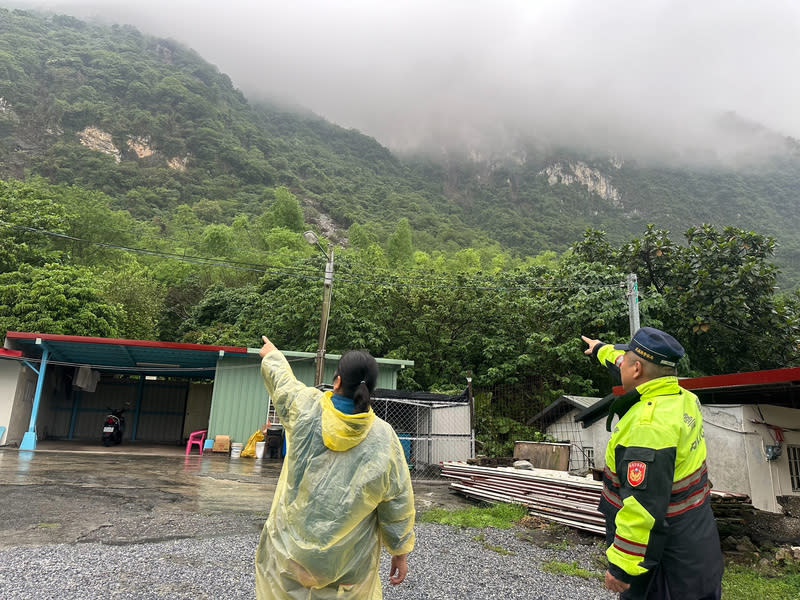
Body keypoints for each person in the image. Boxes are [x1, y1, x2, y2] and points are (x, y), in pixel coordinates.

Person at [255, 335, 415, 599]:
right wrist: (399, 553)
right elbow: (397, 501)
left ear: (337, 380)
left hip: (291, 555)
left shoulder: (306, 409)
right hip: (349, 564)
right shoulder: (384, 438)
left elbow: (284, 384)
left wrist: (272, 355)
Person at [581, 327, 723, 600]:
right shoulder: (684, 399)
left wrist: (621, 569)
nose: (620, 361)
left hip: (662, 558)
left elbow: (642, 507)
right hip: (696, 539)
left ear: (637, 370)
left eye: (627, 359)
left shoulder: (648, 428)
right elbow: (622, 361)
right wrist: (600, 349)